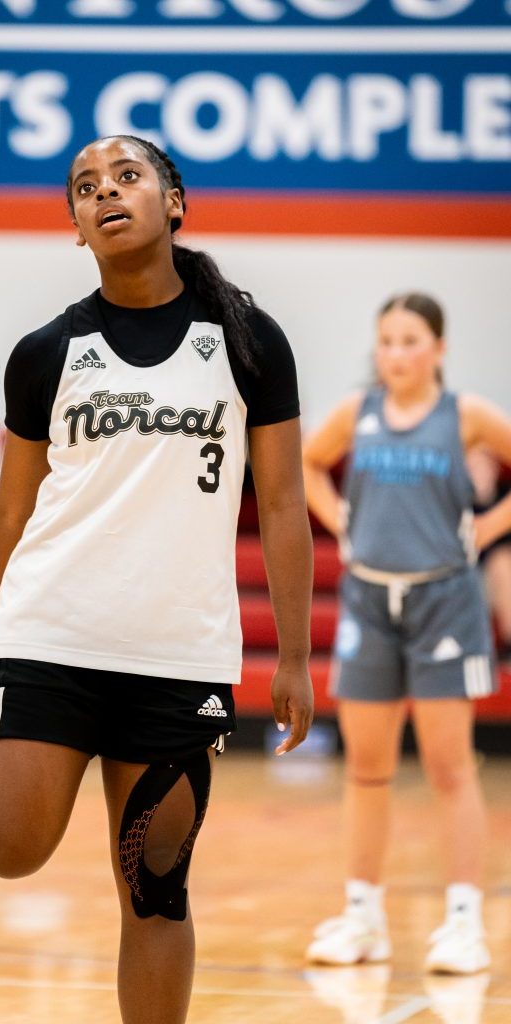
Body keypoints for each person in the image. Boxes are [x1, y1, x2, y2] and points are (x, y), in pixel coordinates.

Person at [0, 135, 314, 1024]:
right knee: (10, 852)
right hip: (49, 635)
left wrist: (293, 655)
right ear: (76, 227)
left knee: (156, 890)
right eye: (85, 187)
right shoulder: (46, 352)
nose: (105, 192)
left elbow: (284, 502)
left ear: (173, 201)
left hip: (179, 655)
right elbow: (12, 509)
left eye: (127, 177)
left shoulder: (250, 342)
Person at [302, 292, 511, 974]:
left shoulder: (465, 414)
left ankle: (464, 924)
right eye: (386, 340)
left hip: (445, 603)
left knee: (450, 768)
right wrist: (338, 518)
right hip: (368, 603)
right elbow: (307, 463)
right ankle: (363, 918)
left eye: (410, 340)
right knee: (366, 770)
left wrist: (488, 526)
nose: (396, 353)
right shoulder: (355, 412)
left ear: (439, 348)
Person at [467, 446, 511, 665]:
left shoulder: (505, 497)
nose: (478, 474)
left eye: (482, 467)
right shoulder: (458, 505)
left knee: (501, 563)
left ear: (494, 468)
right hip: (467, 580)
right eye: (471, 468)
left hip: (502, 580)